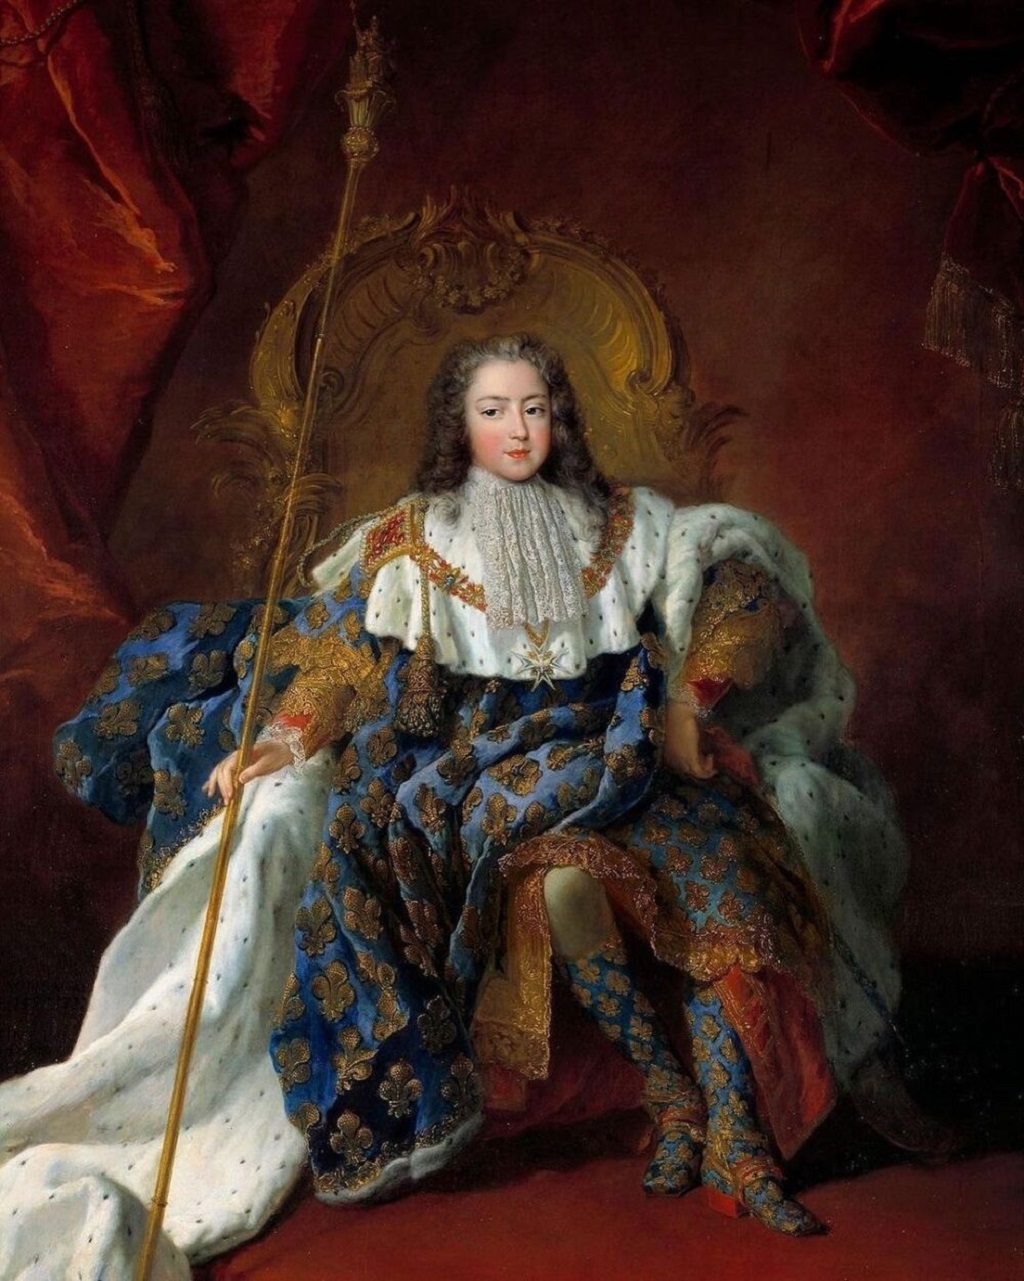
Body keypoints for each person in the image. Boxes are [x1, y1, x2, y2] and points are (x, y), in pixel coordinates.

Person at [0, 334, 909, 1276]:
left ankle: (739, 1139)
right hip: (486, 778)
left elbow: (743, 583)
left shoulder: (627, 524)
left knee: (722, 871)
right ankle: (674, 1096)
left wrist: (691, 700)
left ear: (560, 420)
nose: (517, 430)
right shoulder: (415, 540)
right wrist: (282, 739)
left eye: (534, 409)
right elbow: (348, 660)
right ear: (458, 426)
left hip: (623, 751)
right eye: (493, 411)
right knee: (554, 887)